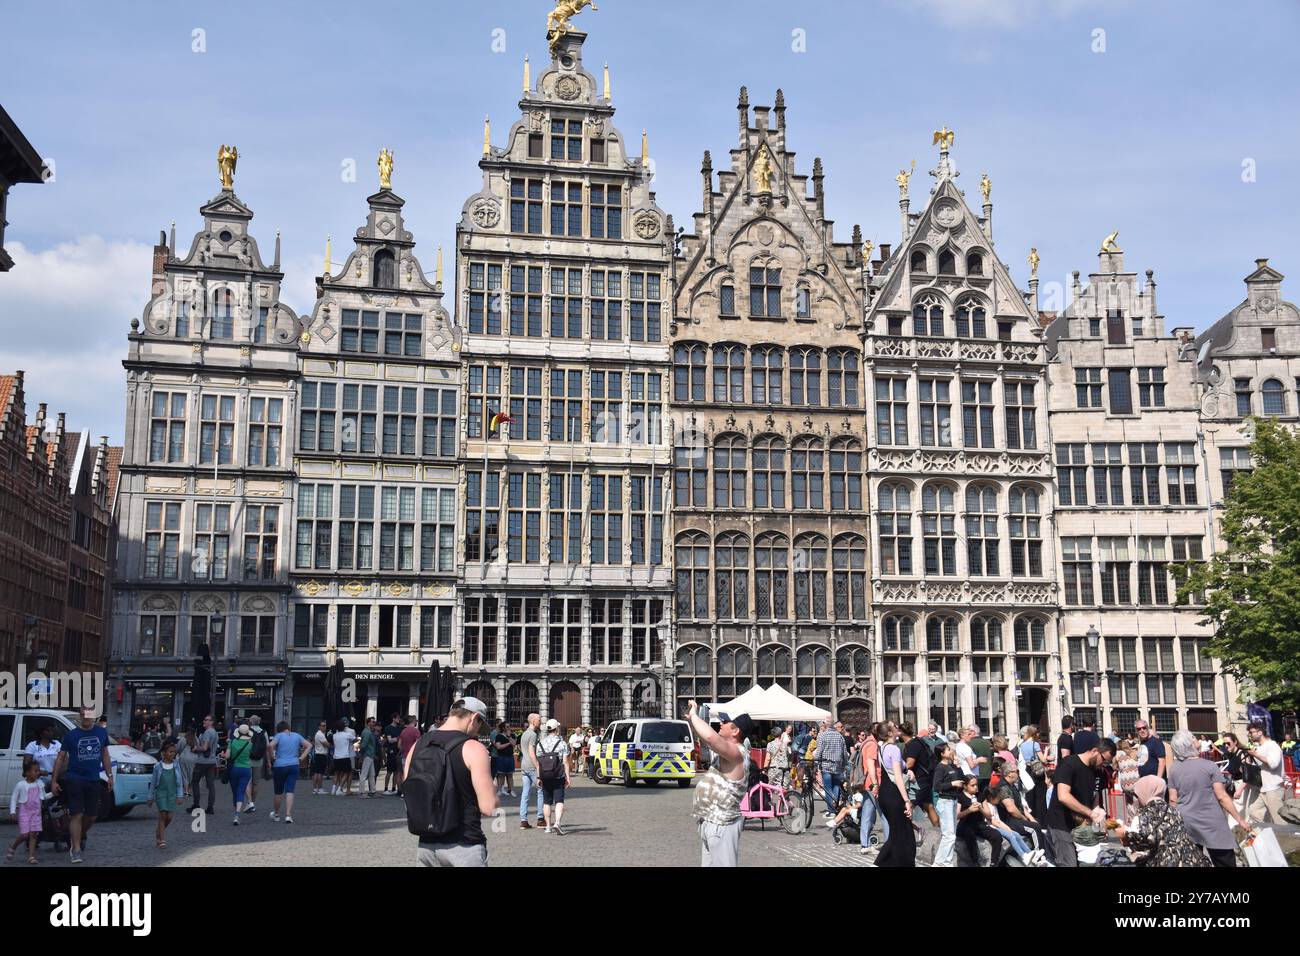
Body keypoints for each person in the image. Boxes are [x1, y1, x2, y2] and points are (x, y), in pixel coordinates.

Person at [408, 697, 499, 867]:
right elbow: (489, 807)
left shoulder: (417, 745)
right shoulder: (473, 748)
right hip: (464, 845)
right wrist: (493, 787)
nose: (477, 732)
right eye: (480, 725)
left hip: (426, 846)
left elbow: (410, 793)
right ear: (474, 718)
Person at [1167, 728, 1249, 866]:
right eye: (1193, 737)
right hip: (1212, 821)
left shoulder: (1174, 769)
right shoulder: (1209, 766)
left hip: (1187, 821)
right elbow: (1222, 796)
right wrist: (1240, 820)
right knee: (1224, 861)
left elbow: (1172, 799)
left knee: (1193, 861)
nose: (1196, 738)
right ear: (1189, 744)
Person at [686, 703, 751, 867]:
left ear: (736, 731)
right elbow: (707, 740)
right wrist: (694, 723)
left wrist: (694, 715)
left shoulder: (738, 753)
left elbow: (710, 737)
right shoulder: (728, 751)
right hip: (711, 822)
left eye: (726, 721)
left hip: (722, 825)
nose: (721, 723)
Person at [51, 707, 113, 863]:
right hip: (75, 779)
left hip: (93, 779)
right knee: (76, 814)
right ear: (80, 716)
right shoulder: (71, 735)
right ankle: (76, 848)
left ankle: (78, 835)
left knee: (92, 816)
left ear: (94, 717)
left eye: (89, 714)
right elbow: (60, 758)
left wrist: (110, 775)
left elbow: (105, 754)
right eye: (83, 714)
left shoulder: (101, 733)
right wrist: (54, 780)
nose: (86, 717)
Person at [1041, 736, 1114, 867]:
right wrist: (1090, 813)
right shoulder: (1069, 763)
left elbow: (1095, 798)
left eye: (1107, 763)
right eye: (1103, 760)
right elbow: (1063, 796)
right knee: (1068, 864)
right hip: (1061, 825)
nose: (1103, 765)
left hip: (1081, 828)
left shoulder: (1098, 772)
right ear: (1095, 751)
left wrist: (1099, 820)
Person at [1113, 776, 1210, 867]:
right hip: (1190, 859)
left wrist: (1125, 834)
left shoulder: (1145, 815)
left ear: (1144, 792)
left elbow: (1143, 845)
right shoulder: (1173, 810)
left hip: (1166, 862)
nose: (1137, 799)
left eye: (1137, 795)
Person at [875, 722, 915, 867]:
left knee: (897, 832)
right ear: (890, 733)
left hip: (884, 793)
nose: (898, 727)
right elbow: (898, 777)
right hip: (894, 794)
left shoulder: (882, 748)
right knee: (904, 834)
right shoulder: (894, 749)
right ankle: (881, 863)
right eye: (894, 727)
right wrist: (906, 801)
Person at [1240, 721, 1285, 825]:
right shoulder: (1260, 747)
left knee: (1279, 820)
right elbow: (1261, 766)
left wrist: (1256, 754)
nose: (1249, 735)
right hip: (1263, 787)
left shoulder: (1272, 745)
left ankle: (1287, 839)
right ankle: (1270, 833)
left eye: (1251, 732)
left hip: (1274, 788)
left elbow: (1273, 764)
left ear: (1260, 732)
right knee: (1254, 812)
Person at [7, 758, 50, 864]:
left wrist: (54, 793)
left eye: (38, 770)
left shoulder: (39, 784)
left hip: (36, 813)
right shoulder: (21, 785)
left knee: (33, 834)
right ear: (27, 773)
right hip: (24, 812)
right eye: (35, 771)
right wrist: (12, 811)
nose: (38, 773)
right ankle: (13, 846)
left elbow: (44, 796)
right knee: (25, 835)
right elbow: (14, 798)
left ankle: (31, 856)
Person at [930, 742, 966, 867]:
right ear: (942, 754)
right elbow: (937, 786)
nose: (951, 751)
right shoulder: (940, 767)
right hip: (945, 802)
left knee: (952, 835)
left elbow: (962, 780)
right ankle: (938, 862)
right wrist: (952, 784)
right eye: (948, 749)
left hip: (953, 801)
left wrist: (958, 766)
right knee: (948, 835)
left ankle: (947, 862)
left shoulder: (951, 766)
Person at [268, 721, 310, 823]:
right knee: (290, 790)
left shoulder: (279, 736)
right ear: (288, 727)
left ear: (279, 729)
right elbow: (309, 745)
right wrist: (301, 758)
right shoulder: (297, 735)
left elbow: (270, 746)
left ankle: (277, 814)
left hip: (280, 765)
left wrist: (273, 757)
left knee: (278, 792)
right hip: (294, 764)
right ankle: (288, 815)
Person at [149, 740, 186, 849]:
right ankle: (162, 840)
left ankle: (159, 831)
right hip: (161, 793)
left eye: (174, 752)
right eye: (170, 752)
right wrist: (150, 797)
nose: (172, 754)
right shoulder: (158, 766)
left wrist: (180, 795)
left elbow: (179, 782)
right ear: (164, 753)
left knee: (169, 817)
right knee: (163, 815)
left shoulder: (176, 766)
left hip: (172, 794)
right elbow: (153, 783)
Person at [537, 718, 571, 834]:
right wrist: (568, 777)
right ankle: (557, 822)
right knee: (559, 800)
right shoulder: (562, 744)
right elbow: (565, 762)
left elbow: (538, 762)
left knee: (546, 802)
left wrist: (538, 777)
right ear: (557, 729)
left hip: (545, 776)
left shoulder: (540, 743)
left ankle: (547, 826)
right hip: (558, 775)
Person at [517, 713, 545, 829]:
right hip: (532, 766)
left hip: (524, 765)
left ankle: (523, 820)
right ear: (533, 721)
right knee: (541, 791)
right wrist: (537, 765)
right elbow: (532, 752)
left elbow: (521, 749)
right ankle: (540, 819)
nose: (540, 722)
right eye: (539, 720)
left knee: (525, 793)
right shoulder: (533, 735)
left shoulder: (524, 734)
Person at [814, 719, 847, 817]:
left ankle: (831, 810)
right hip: (837, 766)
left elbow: (819, 751)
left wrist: (815, 764)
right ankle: (835, 807)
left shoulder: (823, 736)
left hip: (826, 765)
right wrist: (844, 764)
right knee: (836, 786)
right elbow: (844, 752)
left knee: (828, 787)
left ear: (826, 725)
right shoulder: (840, 736)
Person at [224, 724, 254, 825]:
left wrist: (223, 754)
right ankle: (237, 815)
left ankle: (235, 811)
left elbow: (227, 756)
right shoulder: (249, 744)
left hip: (234, 769)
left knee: (235, 792)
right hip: (246, 769)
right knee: (241, 791)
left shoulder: (232, 742)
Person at [190, 714, 219, 814]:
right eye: (204, 719)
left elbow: (205, 748)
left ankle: (196, 804)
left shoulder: (207, 732)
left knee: (194, 782)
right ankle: (210, 807)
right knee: (211, 785)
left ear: (211, 722)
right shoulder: (215, 733)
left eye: (207, 720)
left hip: (202, 761)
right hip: (212, 761)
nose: (204, 721)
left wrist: (195, 749)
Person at [245, 715, 269, 813]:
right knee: (256, 783)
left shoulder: (248, 731)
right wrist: (268, 762)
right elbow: (267, 747)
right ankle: (253, 803)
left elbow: (245, 745)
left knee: (248, 781)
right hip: (259, 760)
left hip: (248, 759)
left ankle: (250, 802)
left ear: (250, 722)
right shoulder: (264, 732)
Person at [397, 715, 421, 797]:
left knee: (405, 774)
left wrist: (404, 749)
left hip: (404, 755)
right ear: (413, 722)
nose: (416, 723)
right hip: (413, 756)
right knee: (414, 774)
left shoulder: (403, 731)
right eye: (416, 721)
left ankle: (404, 792)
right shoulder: (416, 731)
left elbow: (399, 745)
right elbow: (418, 744)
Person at [331, 718, 356, 796]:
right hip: (345, 756)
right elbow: (354, 739)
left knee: (336, 773)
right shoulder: (347, 735)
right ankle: (339, 789)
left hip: (336, 757)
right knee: (347, 773)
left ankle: (333, 789)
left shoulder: (334, 736)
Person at [764, 724, 792, 789]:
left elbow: (767, 759)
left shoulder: (770, 744)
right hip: (784, 769)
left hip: (774, 769)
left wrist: (764, 770)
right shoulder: (785, 744)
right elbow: (789, 755)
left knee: (770, 789)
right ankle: (784, 798)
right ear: (780, 734)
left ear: (773, 735)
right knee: (784, 790)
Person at [491, 721, 515, 796]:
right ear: (503, 728)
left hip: (510, 757)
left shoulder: (512, 735)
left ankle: (511, 790)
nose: (508, 728)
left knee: (510, 775)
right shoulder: (499, 736)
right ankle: (499, 790)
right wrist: (508, 743)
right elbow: (498, 747)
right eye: (507, 726)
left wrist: (509, 737)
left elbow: (514, 744)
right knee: (501, 774)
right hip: (501, 757)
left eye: (509, 726)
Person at [358, 717, 380, 797]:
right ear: (368, 723)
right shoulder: (367, 732)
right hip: (367, 755)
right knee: (364, 774)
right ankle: (361, 792)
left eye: (374, 722)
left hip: (369, 755)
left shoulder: (368, 732)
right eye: (373, 722)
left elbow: (366, 745)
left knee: (371, 774)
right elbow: (364, 745)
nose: (374, 723)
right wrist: (361, 756)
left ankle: (373, 791)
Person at [382, 713, 403, 794]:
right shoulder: (388, 728)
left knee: (396, 771)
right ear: (393, 718)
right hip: (391, 751)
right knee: (389, 771)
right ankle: (386, 789)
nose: (399, 719)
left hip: (398, 750)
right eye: (397, 718)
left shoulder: (399, 728)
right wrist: (398, 738)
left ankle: (394, 788)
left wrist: (397, 739)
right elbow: (389, 740)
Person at [310, 721, 330, 794]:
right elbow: (327, 745)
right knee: (320, 772)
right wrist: (329, 743)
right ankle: (319, 788)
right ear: (319, 727)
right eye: (323, 725)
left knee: (317, 772)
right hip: (321, 754)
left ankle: (315, 789)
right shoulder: (320, 735)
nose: (325, 727)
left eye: (325, 725)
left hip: (318, 754)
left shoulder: (319, 734)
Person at [176, 727, 197, 795]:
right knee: (191, 774)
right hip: (194, 759)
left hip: (184, 758)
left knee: (184, 775)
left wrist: (178, 754)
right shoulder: (196, 739)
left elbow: (178, 748)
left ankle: (186, 791)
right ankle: (192, 790)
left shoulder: (183, 739)